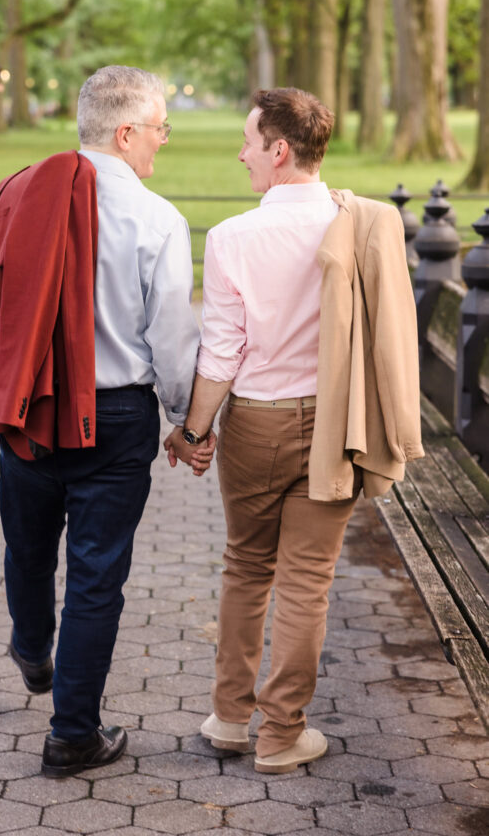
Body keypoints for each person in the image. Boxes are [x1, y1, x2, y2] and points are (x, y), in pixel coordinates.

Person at [0, 65, 213, 779]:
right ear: (125, 131)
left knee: (29, 549)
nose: (162, 141)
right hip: (117, 416)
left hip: (30, 410)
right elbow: (170, 340)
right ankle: (72, 735)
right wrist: (188, 424)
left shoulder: (16, 195)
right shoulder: (155, 217)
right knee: (97, 577)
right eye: (159, 128)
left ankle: (33, 647)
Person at [165, 87, 423, 774]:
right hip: (336, 427)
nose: (241, 154)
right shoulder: (361, 224)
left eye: (249, 142)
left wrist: (193, 432)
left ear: (278, 150)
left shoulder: (230, 238)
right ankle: (281, 735)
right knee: (307, 583)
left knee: (246, 569)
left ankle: (228, 718)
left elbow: (221, 353)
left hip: (252, 424)